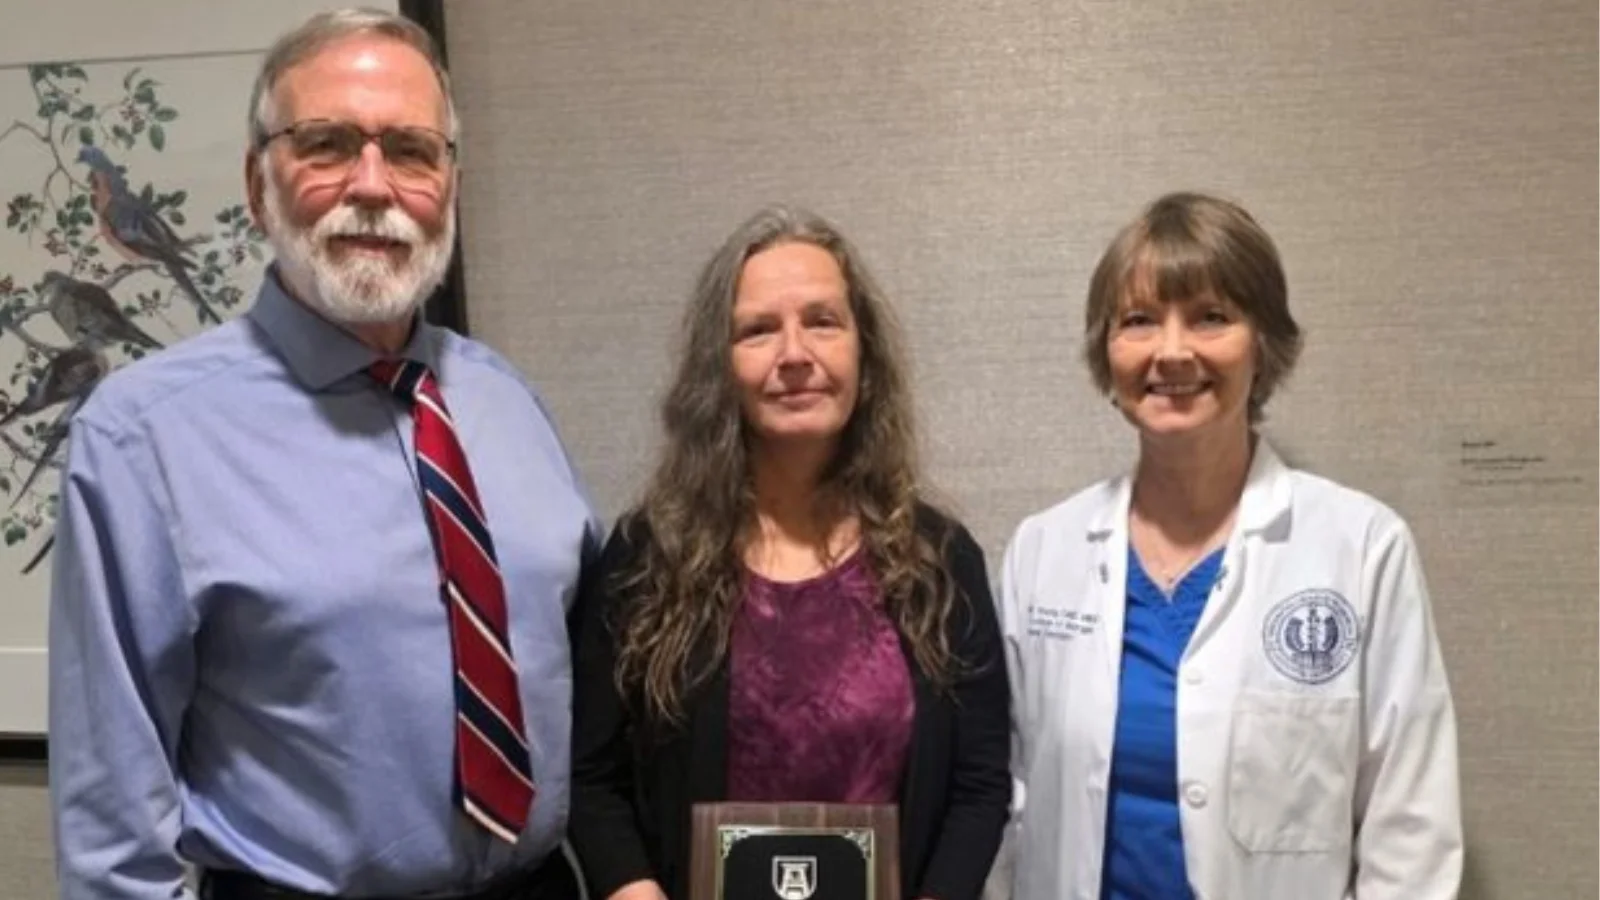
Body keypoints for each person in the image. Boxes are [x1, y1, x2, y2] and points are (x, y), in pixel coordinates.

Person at [48, 10, 597, 899]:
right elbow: (113, 836)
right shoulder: (141, 439)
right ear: (258, 184)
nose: (373, 186)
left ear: (449, 185)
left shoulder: (506, 401)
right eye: (328, 144)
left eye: (412, 150)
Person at [999, 191, 1462, 899]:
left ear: (1264, 343)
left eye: (1211, 316)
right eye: (1139, 321)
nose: (1173, 351)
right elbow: (1013, 798)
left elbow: (1412, 829)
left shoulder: (1362, 548)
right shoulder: (1044, 551)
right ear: (1107, 350)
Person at [568, 205, 1010, 900]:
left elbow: (979, 784)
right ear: (719, 366)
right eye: (759, 330)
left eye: (823, 321)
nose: (795, 354)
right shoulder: (645, 559)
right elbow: (593, 782)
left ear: (865, 355)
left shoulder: (942, 562)